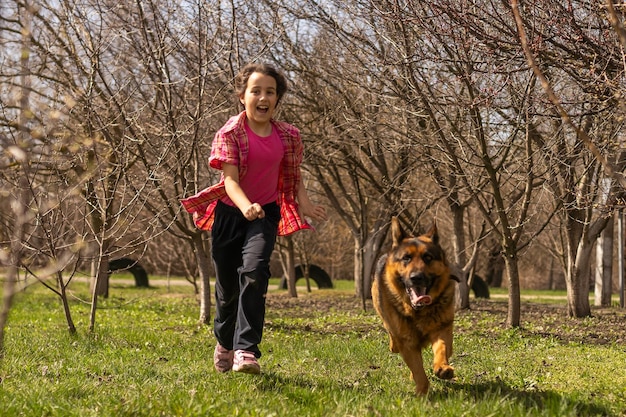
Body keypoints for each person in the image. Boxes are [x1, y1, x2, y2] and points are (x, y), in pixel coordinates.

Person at [180, 63, 327, 374]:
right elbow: (229, 181)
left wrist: (305, 203)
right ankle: (224, 341)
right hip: (231, 214)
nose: (263, 97)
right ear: (242, 96)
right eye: (256, 91)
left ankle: (246, 350)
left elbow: (292, 173)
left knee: (255, 271)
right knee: (227, 289)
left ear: (277, 99)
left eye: (270, 92)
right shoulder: (230, 133)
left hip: (266, 213)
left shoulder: (288, 135)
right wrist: (246, 206)